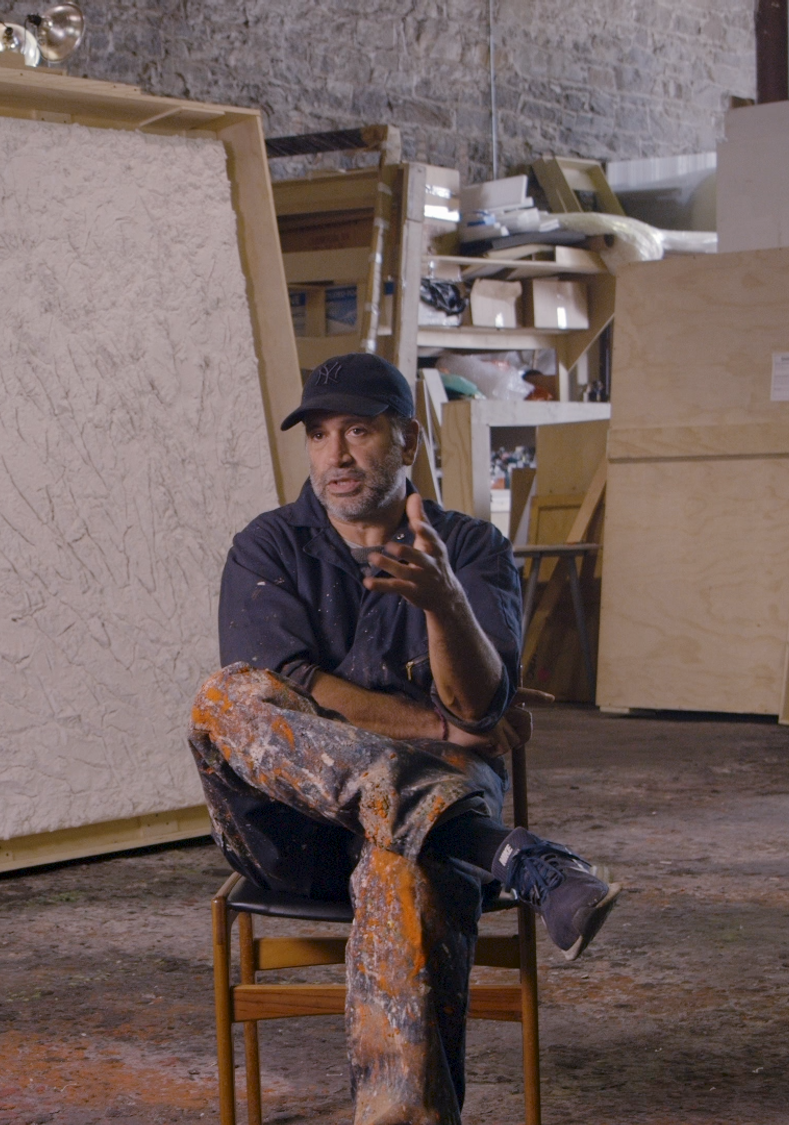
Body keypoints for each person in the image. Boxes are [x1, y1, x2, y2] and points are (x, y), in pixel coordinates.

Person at [188, 352, 621, 1125]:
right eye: (319, 435)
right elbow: (290, 684)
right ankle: (501, 849)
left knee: (405, 862)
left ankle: (457, 838)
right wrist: (439, 727)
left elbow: (479, 705)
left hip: (414, 852)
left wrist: (447, 604)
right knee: (226, 697)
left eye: (359, 430)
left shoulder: (474, 549)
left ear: (408, 440)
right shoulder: (268, 546)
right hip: (295, 836)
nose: (336, 455)